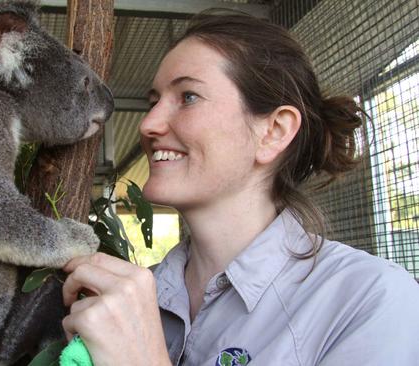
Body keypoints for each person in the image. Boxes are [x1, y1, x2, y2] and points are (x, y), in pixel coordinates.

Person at [60, 11, 419, 366]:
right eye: (153, 102)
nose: (149, 124)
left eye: (188, 97)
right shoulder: (130, 297)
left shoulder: (368, 299)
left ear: (274, 131)